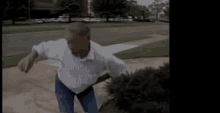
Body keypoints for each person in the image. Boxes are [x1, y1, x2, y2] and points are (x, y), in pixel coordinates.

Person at [17, 22, 127, 113]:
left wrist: (95, 80)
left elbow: (119, 69)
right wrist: (29, 58)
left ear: (85, 40)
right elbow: (41, 48)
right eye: (67, 41)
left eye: (72, 43)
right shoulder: (63, 47)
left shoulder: (103, 56)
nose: (68, 46)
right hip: (63, 85)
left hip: (85, 89)